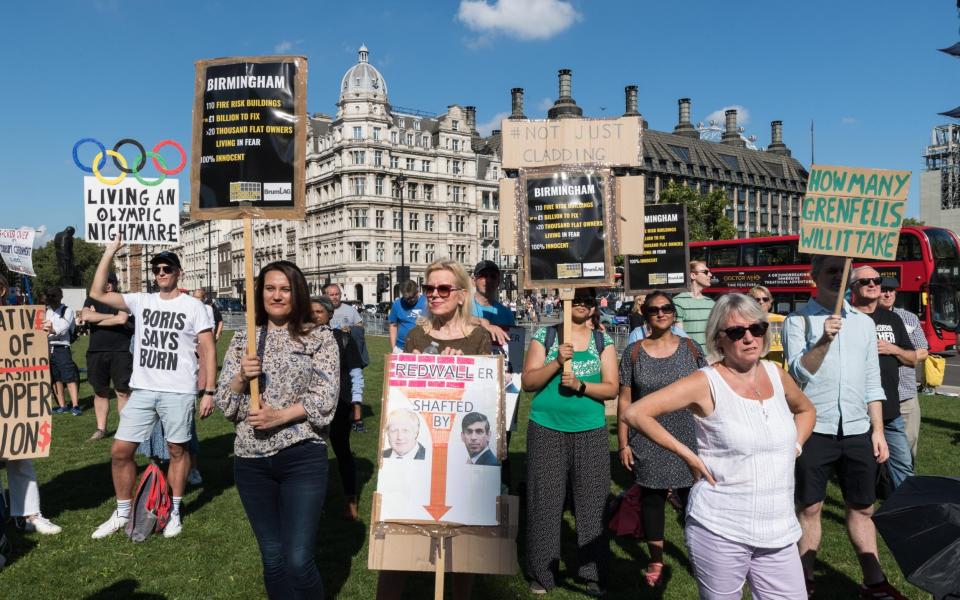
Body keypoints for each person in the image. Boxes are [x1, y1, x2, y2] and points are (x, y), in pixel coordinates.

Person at [623, 293, 816, 600]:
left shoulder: (776, 375)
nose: (750, 338)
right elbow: (635, 412)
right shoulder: (706, 381)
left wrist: (795, 446)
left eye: (757, 328)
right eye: (737, 332)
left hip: (779, 529)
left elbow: (806, 411)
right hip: (720, 526)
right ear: (719, 340)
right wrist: (687, 454)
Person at [782, 255, 906, 600]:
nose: (838, 277)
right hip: (813, 428)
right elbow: (795, 375)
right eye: (831, 271)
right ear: (814, 276)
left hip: (857, 429)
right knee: (810, 507)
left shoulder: (864, 325)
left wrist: (877, 430)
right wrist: (823, 340)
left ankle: (874, 581)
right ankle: (802, 579)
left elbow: (872, 381)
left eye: (843, 271)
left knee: (863, 507)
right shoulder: (798, 320)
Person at [216, 261, 339, 599]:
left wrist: (280, 417)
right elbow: (226, 407)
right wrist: (242, 377)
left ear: (296, 292)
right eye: (270, 288)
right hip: (251, 460)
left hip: (301, 455)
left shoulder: (318, 337)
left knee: (298, 560)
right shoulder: (244, 339)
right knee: (273, 559)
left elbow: (326, 401)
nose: (277, 295)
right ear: (260, 293)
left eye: (284, 288)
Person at [377, 259, 492, 600]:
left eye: (443, 289)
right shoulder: (415, 335)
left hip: (460, 460)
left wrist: (464, 368)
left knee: (462, 549)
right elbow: (399, 397)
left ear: (460, 294)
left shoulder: (478, 337)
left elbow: (487, 402)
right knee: (397, 545)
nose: (435, 295)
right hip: (416, 458)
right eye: (430, 289)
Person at [89, 242, 216, 540]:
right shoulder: (141, 300)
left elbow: (208, 349)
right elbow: (97, 293)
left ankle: (173, 511)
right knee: (120, 451)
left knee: (177, 450)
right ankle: (122, 512)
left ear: (178, 273)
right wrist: (109, 252)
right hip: (143, 389)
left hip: (178, 391)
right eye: (157, 269)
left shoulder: (193, 306)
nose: (161, 272)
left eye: (167, 268)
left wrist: (209, 390)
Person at [521, 288, 618, 597]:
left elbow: (611, 389)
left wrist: (580, 384)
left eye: (587, 300)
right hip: (546, 428)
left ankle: (593, 572)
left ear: (593, 307)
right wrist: (556, 362)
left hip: (590, 430)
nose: (580, 304)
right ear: (564, 301)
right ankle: (542, 573)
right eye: (574, 299)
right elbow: (528, 382)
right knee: (545, 501)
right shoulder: (545, 336)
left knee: (592, 503)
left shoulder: (603, 341)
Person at [617, 292, 707, 589]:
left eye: (666, 308)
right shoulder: (633, 352)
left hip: (687, 435)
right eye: (654, 309)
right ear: (645, 313)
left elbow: (707, 391)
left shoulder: (691, 349)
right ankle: (656, 559)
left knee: (694, 501)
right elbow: (625, 400)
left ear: (673, 312)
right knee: (652, 500)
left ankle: (701, 554)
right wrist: (623, 441)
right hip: (648, 437)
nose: (660, 313)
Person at [0, 275, 61, 536]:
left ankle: (29, 514)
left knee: (20, 457)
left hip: (14, 398)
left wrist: (42, 334)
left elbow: (34, 359)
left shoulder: (19, 320)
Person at [849, 267, 916, 490]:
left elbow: (912, 359)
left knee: (903, 467)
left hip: (890, 411)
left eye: (876, 280)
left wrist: (893, 349)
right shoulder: (845, 319)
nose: (873, 284)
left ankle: (905, 514)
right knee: (860, 471)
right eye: (865, 281)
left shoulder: (892, 319)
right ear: (852, 288)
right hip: (855, 413)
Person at [312, 295, 363, 519]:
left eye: (319, 312)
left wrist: (357, 404)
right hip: (309, 404)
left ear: (330, 314)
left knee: (342, 450)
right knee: (313, 453)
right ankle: (313, 502)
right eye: (310, 312)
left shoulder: (342, 339)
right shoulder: (299, 339)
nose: (314, 316)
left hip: (339, 402)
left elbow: (355, 373)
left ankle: (351, 498)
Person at [878, 276, 929, 462]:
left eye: (892, 290)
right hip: (878, 394)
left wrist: (898, 353)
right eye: (884, 290)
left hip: (905, 393)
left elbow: (923, 350)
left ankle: (905, 482)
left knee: (909, 443)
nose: (888, 294)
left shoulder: (909, 318)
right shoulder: (865, 318)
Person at [79, 273, 134, 440]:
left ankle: (126, 430)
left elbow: (121, 319)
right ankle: (101, 429)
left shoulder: (123, 299)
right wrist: (112, 317)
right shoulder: (91, 300)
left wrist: (97, 319)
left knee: (122, 391)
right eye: (105, 281)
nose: (108, 284)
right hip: (96, 351)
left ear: (116, 284)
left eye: (111, 282)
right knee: (100, 391)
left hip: (120, 351)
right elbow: (86, 316)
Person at [324, 283, 365, 430]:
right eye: (332, 294)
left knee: (355, 384)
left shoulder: (350, 310)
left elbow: (361, 328)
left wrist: (350, 330)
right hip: (329, 358)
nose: (335, 297)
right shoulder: (323, 311)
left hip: (349, 354)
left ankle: (356, 419)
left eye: (337, 294)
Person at [44, 286, 81, 416]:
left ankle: (75, 405)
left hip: (62, 347)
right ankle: (62, 405)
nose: (50, 298)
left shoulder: (67, 311)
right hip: (48, 347)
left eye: (53, 296)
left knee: (69, 377)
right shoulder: (45, 311)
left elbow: (64, 329)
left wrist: (51, 330)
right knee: (55, 378)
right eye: (48, 296)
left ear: (60, 297)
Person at [673, 260, 715, 346]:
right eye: (706, 272)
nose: (710, 275)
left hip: (712, 357)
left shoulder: (711, 303)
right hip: (691, 357)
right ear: (693, 275)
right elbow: (678, 334)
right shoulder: (677, 301)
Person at [749, 285, 785, 366]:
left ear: (770, 301)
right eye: (757, 299)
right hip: (754, 367)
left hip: (778, 367)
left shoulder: (783, 320)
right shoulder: (744, 321)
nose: (761, 302)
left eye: (765, 299)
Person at [388, 280, 426, 353]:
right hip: (401, 347)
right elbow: (393, 325)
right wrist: (393, 348)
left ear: (417, 292)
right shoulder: (397, 304)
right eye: (407, 298)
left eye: (412, 297)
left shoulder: (426, 302)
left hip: (422, 347)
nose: (410, 300)